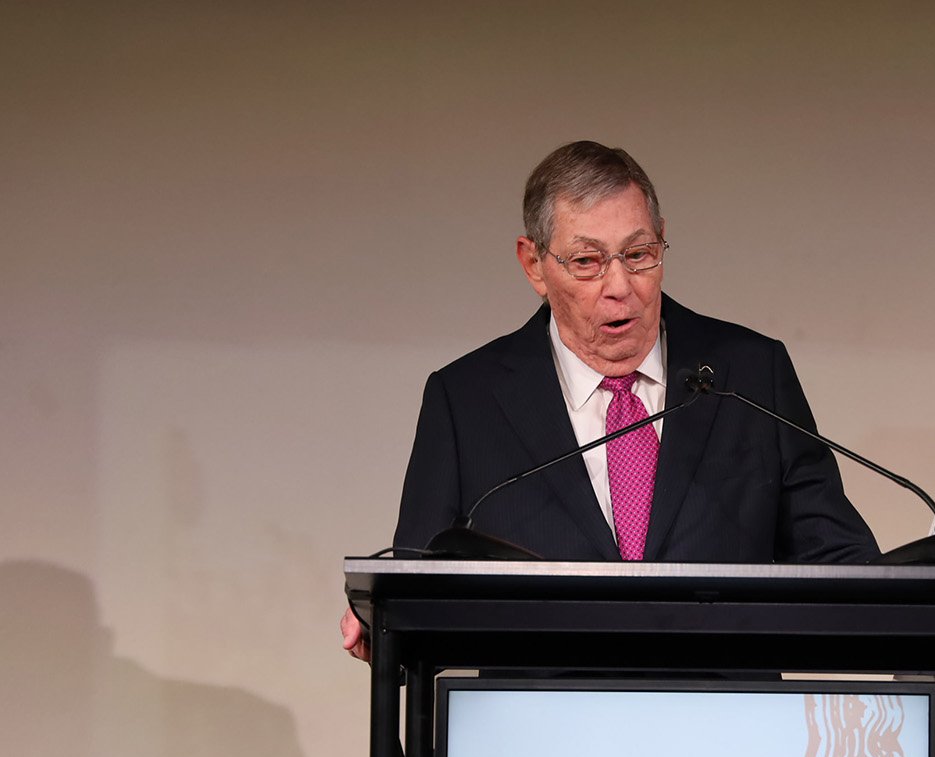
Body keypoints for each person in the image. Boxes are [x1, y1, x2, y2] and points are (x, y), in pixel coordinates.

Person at [342, 141, 877, 657]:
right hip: (539, 733)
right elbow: (417, 577)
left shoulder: (752, 374)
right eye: (588, 262)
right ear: (534, 265)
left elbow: (835, 557)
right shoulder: (466, 400)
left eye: (639, 254)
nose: (620, 286)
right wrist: (380, 616)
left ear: (662, 241)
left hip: (726, 724)